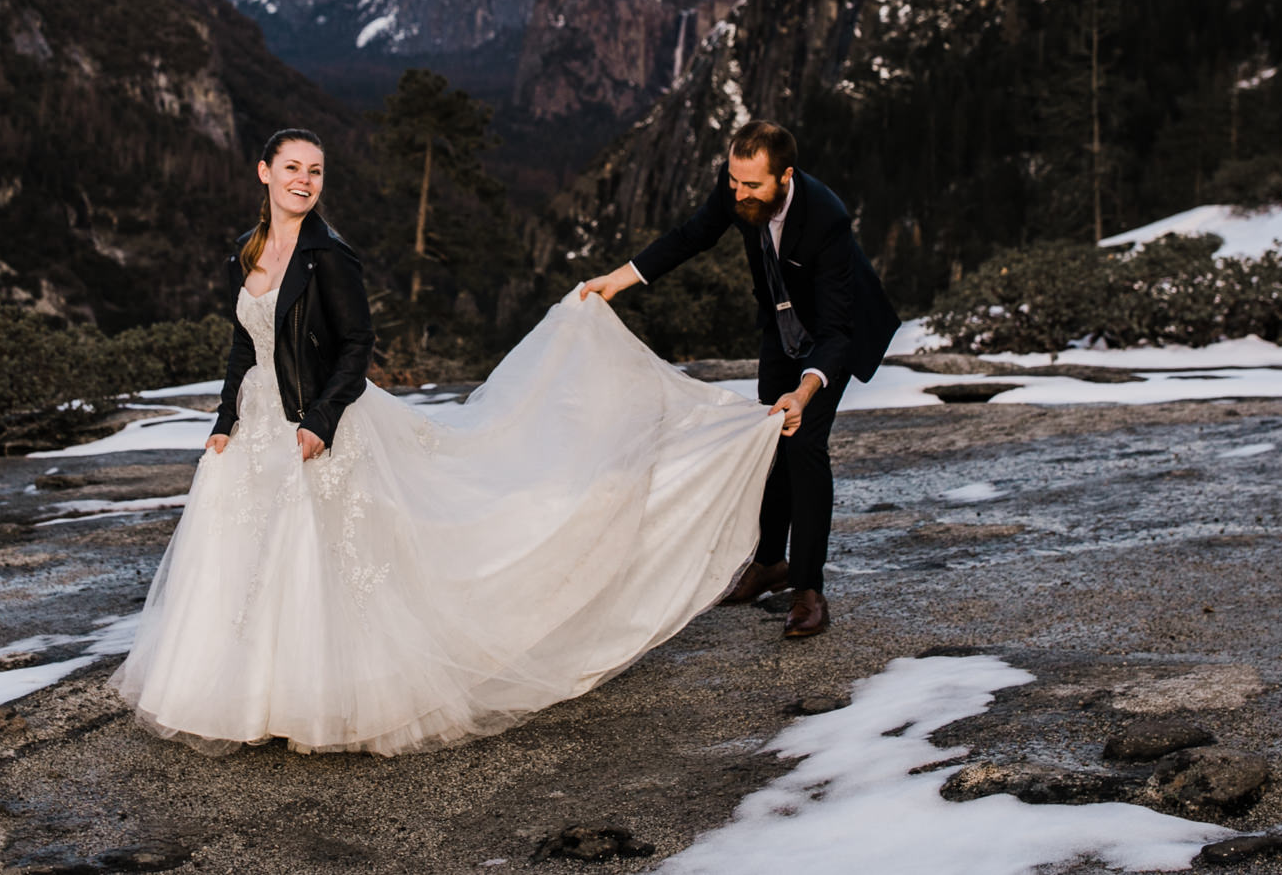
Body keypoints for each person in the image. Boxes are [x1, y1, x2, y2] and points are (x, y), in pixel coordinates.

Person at [108, 128, 786, 756]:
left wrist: (318, 421)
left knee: (322, 557)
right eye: (292, 168)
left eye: (315, 171)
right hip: (256, 424)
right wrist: (224, 419)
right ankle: (247, 694)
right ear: (264, 172)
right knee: (248, 554)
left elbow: (355, 347)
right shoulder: (246, 252)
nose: (304, 180)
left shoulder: (329, 257)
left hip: (321, 421)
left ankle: (321, 697)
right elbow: (244, 343)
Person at [581, 121, 900, 639]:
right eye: (733, 182)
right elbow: (691, 236)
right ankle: (769, 562)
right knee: (769, 439)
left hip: (833, 333)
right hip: (780, 324)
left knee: (805, 444)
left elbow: (837, 329)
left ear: (785, 177)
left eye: (751, 186)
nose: (738, 193)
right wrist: (618, 279)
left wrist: (803, 389)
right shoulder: (738, 185)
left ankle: (809, 590)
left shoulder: (827, 218)